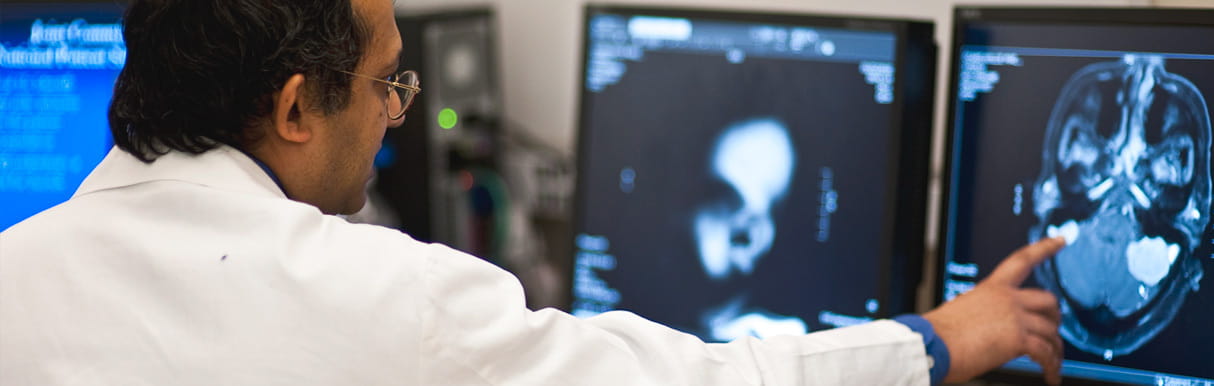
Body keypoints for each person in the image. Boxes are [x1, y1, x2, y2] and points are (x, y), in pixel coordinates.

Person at [0, 0, 1065, 384]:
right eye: (385, 86)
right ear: (292, 108)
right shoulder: (380, 294)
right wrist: (937, 339)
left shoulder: (17, 267)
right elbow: (701, 382)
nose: (397, 116)